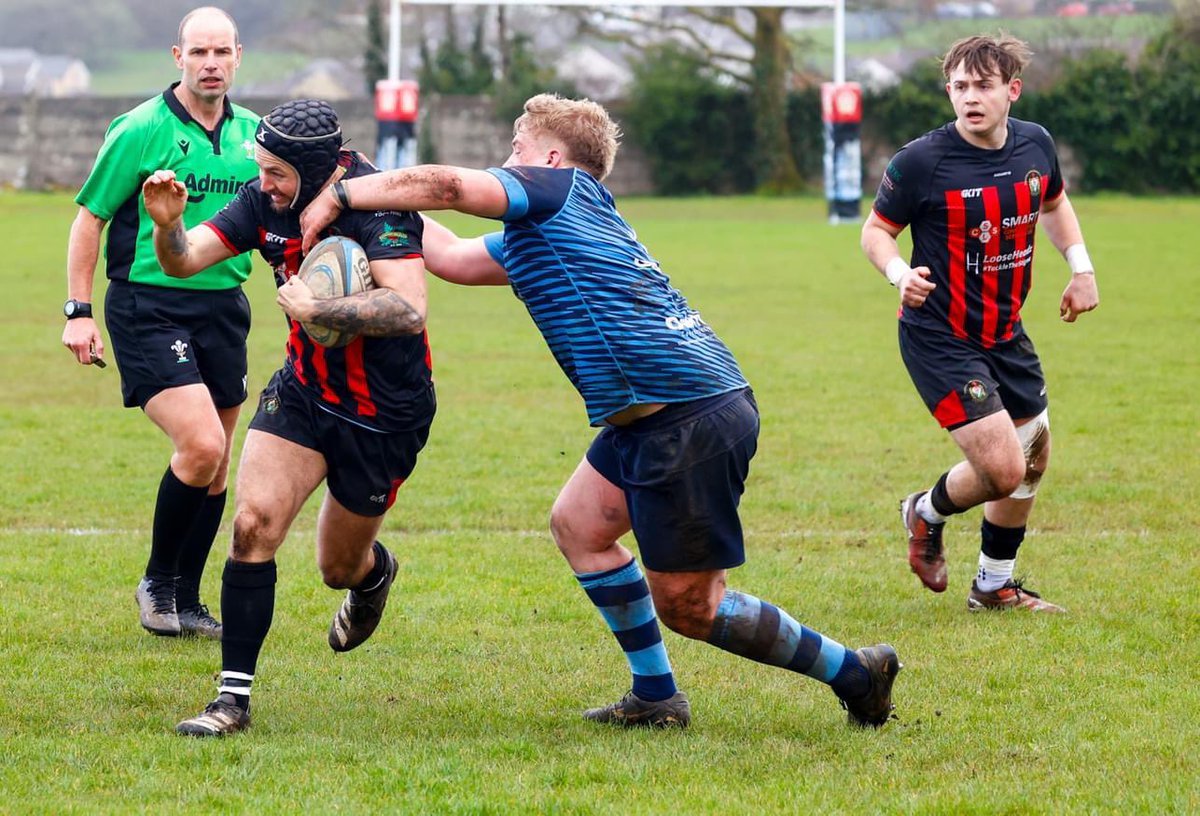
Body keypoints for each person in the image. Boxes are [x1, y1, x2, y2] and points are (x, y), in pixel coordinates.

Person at [300, 93, 901, 730]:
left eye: (518, 149)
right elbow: (447, 256)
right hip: (656, 415)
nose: (509, 161)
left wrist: (340, 197)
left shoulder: (555, 191)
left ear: (552, 158)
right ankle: (656, 696)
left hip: (686, 415)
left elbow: (447, 185)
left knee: (692, 605)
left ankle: (856, 672)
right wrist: (362, 175)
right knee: (580, 528)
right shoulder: (555, 227)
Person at [142, 99, 432, 737]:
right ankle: (231, 702)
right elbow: (182, 260)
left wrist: (319, 310)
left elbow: (409, 310)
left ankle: (373, 575)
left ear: (313, 167)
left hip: (384, 412)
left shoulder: (379, 206)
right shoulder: (262, 203)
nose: (264, 183)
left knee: (338, 568)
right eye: (262, 169)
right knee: (252, 527)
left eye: (276, 172)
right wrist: (167, 224)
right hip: (301, 394)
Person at [860, 34, 1099, 612]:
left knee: (1034, 456)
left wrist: (1081, 268)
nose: (970, 98)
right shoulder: (921, 161)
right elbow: (875, 231)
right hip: (940, 335)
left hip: (1005, 330)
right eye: (960, 87)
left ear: (1011, 91)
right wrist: (899, 274)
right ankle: (924, 511)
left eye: (983, 86)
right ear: (949, 92)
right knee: (1002, 466)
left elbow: (1054, 202)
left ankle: (994, 586)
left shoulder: (1035, 145)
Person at [61, 6, 259, 640]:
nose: (210, 64)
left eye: (221, 53)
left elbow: (286, 208)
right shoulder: (140, 128)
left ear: (237, 56)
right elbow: (90, 218)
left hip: (224, 307)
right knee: (200, 446)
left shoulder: (255, 135)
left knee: (219, 461)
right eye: (198, 52)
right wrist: (78, 311)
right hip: (148, 305)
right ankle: (157, 582)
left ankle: (189, 601)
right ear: (178, 57)